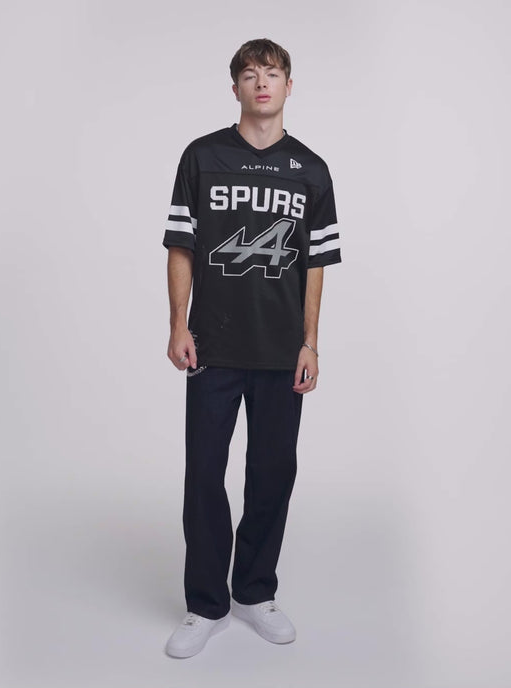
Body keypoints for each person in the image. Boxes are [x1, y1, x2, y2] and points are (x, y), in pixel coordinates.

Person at [162, 38, 341, 658]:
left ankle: (255, 591)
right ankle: (205, 604)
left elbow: (315, 263)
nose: (260, 82)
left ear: (289, 85)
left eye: (271, 72)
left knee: (272, 474)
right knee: (204, 476)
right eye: (248, 73)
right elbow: (181, 245)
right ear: (234, 87)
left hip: (280, 351)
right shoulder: (202, 156)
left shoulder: (311, 170)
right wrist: (177, 325)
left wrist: (310, 343)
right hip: (211, 345)